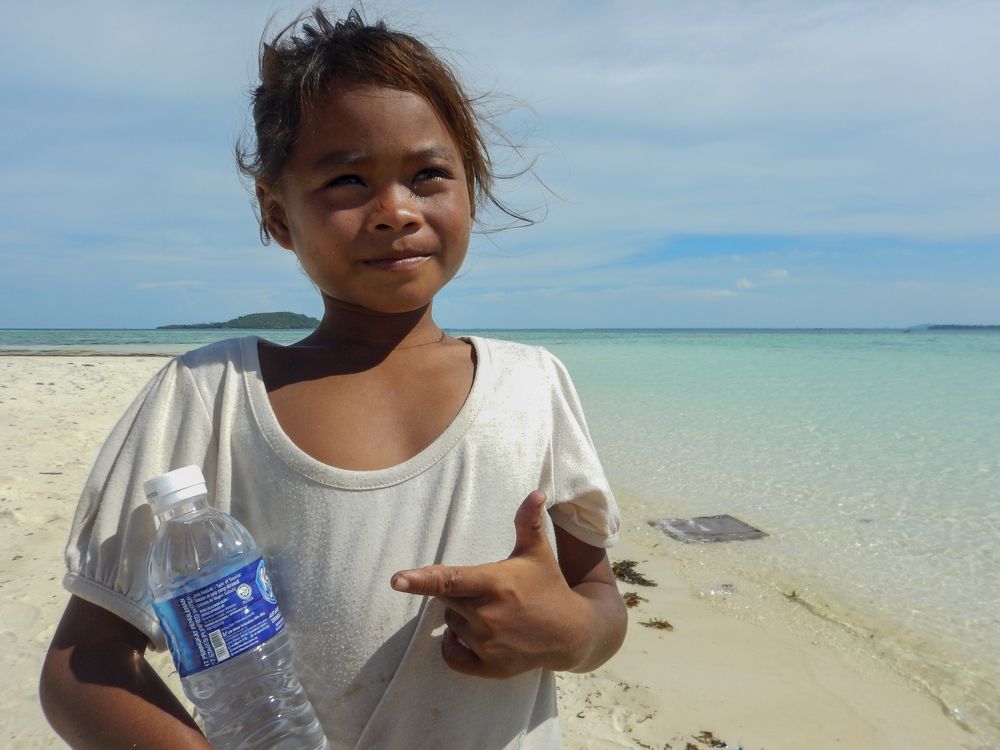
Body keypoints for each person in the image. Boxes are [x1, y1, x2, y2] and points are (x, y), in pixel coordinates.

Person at [39, 7, 626, 749]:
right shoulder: (211, 396)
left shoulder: (532, 384)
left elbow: (599, 601)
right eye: (348, 181)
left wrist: (571, 633)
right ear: (277, 215)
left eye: (429, 175)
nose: (394, 212)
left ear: (470, 188)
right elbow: (82, 663)